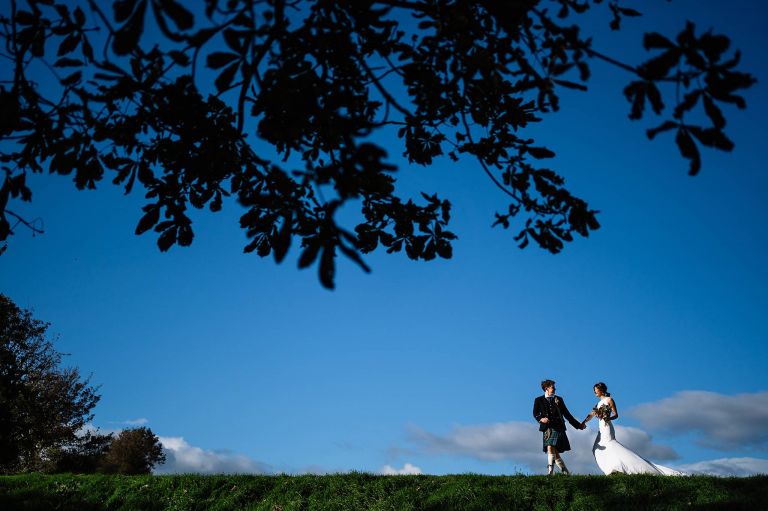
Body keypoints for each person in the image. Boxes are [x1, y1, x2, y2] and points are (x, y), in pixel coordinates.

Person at [581, 382, 683, 475]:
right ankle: (611, 467)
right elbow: (591, 414)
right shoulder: (598, 404)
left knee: (610, 445)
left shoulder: (609, 400)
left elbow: (616, 414)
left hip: (607, 427)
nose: (594, 392)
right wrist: (583, 422)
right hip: (601, 428)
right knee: (596, 448)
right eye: (594, 390)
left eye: (596, 390)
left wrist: (608, 418)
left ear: (601, 390)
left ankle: (616, 468)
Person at [532, 379, 584, 475]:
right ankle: (564, 472)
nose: (555, 389)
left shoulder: (559, 399)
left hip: (558, 427)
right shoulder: (538, 400)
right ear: (546, 388)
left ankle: (551, 472)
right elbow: (535, 413)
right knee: (553, 450)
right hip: (547, 427)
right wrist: (541, 419)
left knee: (551, 447)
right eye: (552, 387)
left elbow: (567, 414)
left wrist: (578, 425)